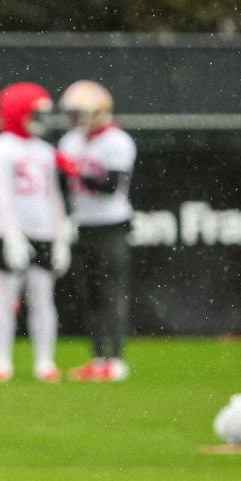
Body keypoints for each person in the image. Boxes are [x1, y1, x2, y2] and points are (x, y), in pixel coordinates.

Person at [0, 82, 70, 383]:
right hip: (10, 233)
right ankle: (1, 360)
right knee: (5, 296)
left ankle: (45, 361)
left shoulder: (46, 151)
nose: (41, 121)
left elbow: (53, 196)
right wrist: (13, 235)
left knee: (43, 298)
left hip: (43, 231)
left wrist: (60, 237)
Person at [57, 80, 137, 382]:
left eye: (80, 112)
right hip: (83, 224)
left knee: (111, 292)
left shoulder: (118, 141)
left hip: (111, 225)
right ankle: (97, 356)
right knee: (88, 293)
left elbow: (112, 187)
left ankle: (115, 359)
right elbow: (65, 187)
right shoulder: (71, 141)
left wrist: (78, 172)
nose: (75, 119)